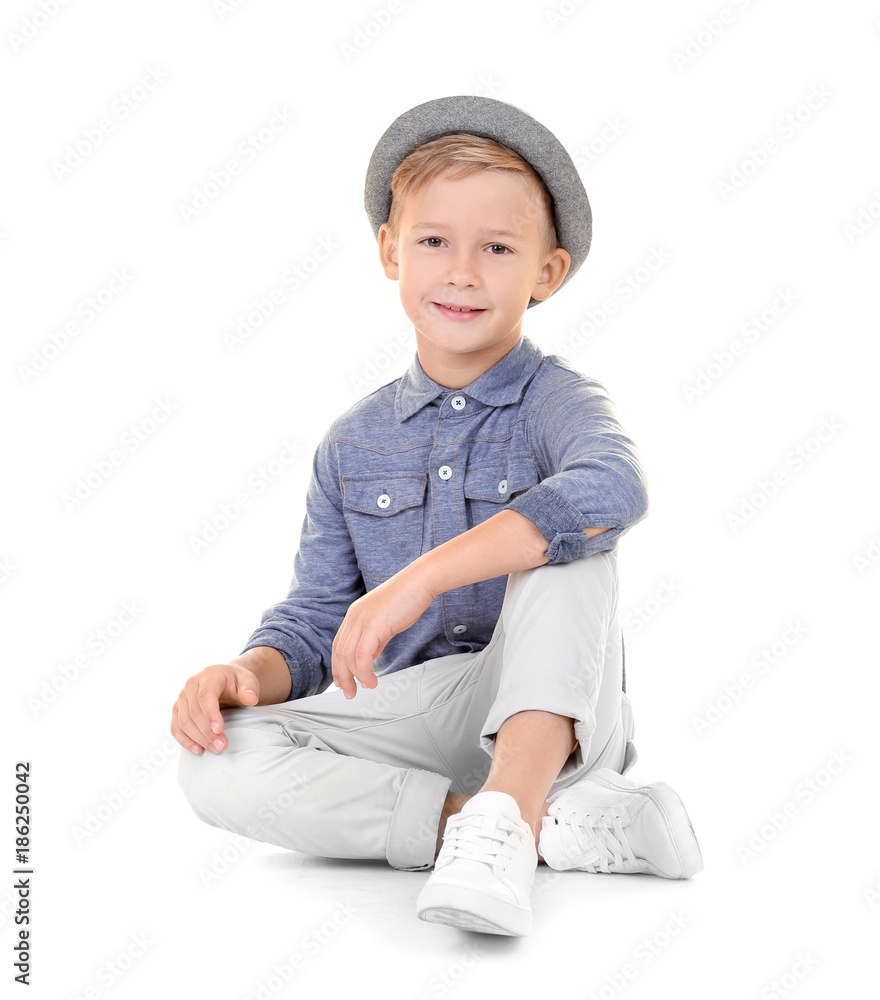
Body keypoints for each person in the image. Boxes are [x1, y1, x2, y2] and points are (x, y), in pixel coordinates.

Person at [173, 95, 703, 937]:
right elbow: (317, 624)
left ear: (546, 273)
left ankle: (515, 808)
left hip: (558, 711)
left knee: (572, 540)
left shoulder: (556, 402)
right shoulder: (353, 442)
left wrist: (426, 577)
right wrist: (249, 672)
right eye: (433, 242)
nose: (462, 272)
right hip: (422, 721)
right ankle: (505, 823)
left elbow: (614, 486)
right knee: (212, 761)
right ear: (391, 251)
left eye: (497, 248)